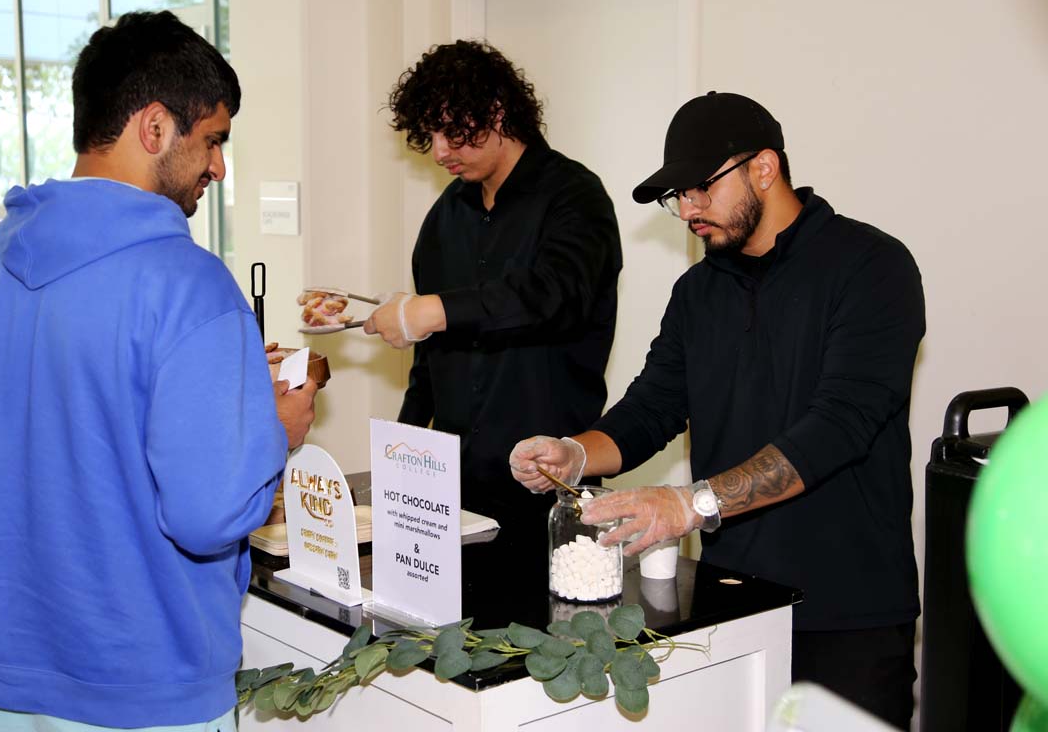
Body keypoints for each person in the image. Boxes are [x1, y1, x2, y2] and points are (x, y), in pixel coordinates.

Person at [0, 11, 317, 730]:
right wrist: (273, 431)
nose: (220, 168)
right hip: (146, 687)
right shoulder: (191, 287)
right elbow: (206, 517)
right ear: (155, 128)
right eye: (214, 141)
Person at [509, 91, 924, 729]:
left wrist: (692, 504)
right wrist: (575, 452)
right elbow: (651, 409)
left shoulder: (872, 267)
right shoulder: (699, 290)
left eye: (700, 188)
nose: (687, 210)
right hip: (729, 601)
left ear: (764, 167)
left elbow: (840, 424)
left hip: (849, 609)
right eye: (676, 196)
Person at [363, 40, 622, 544]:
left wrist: (430, 311)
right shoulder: (445, 216)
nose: (440, 151)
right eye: (431, 134)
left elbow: (552, 297)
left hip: (547, 484)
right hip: (453, 490)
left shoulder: (574, 196)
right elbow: (429, 364)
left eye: (454, 130)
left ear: (497, 112)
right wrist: (398, 461)